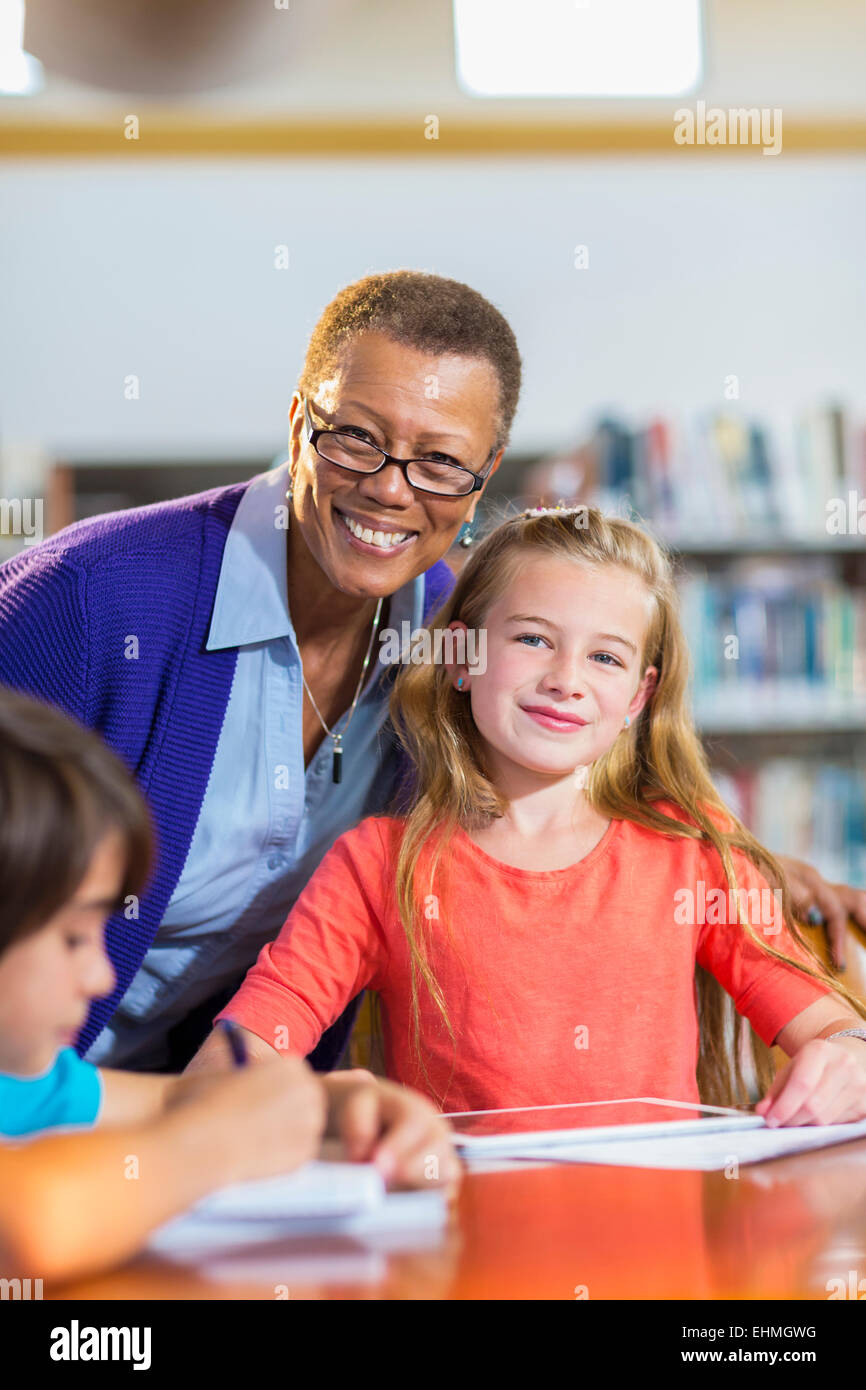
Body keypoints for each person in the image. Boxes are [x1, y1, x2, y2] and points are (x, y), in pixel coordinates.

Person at [0, 270, 859, 1072]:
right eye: (356, 439)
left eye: (441, 462)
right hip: (39, 1090)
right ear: (299, 421)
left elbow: (557, 769)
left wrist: (737, 861)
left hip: (209, 1102)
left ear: (483, 481)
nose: (390, 489)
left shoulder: (460, 630)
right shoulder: (85, 602)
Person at [192, 508, 866, 1122]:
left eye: (605, 657)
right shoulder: (377, 866)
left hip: (658, 1249)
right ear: (461, 657)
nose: (566, 679)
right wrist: (322, 1103)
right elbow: (234, 1062)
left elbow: (840, 1036)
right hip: (462, 1247)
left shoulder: (693, 854)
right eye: (535, 640)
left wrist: (847, 1060)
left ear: (639, 694)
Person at [0, 690, 458, 1282]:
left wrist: (325, 1110)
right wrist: (217, 1142)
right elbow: (22, 1228)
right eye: (71, 939)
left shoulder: (25, 1085)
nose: (102, 977)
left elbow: (172, 1103)